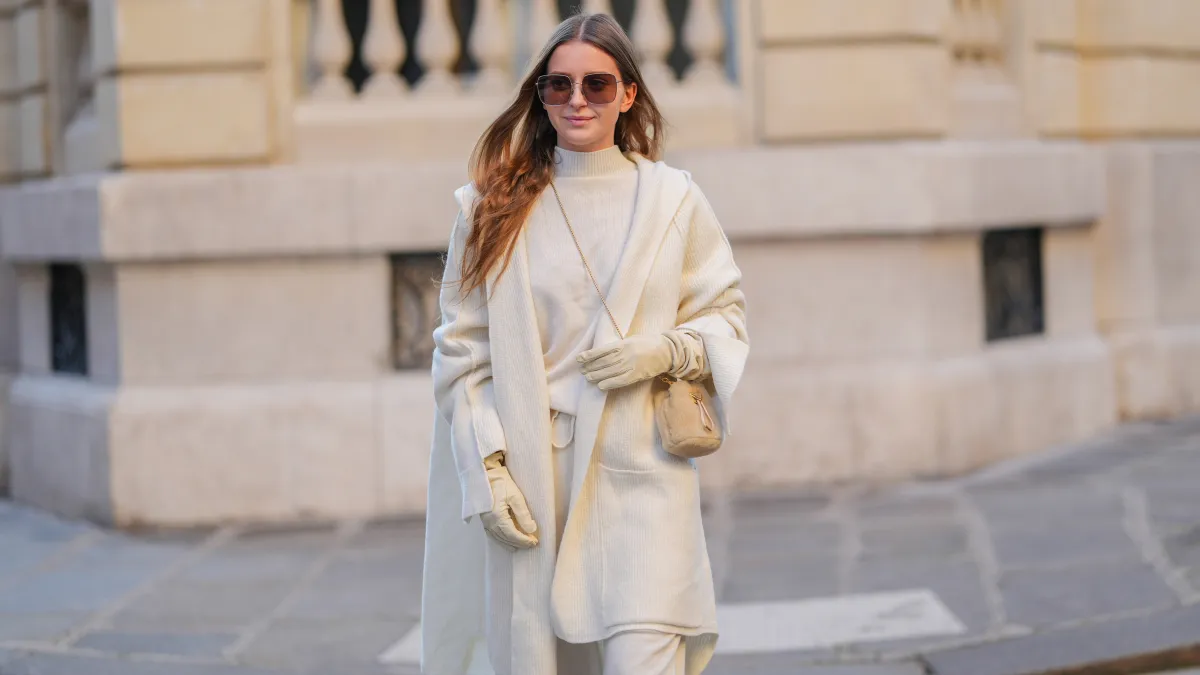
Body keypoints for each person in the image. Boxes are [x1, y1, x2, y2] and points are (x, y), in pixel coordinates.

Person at [421, 11, 749, 675]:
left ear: (628, 94)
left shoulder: (673, 201)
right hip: (537, 481)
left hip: (642, 474)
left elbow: (726, 317)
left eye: (597, 85)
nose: (576, 100)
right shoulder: (491, 208)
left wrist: (664, 352)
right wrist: (486, 470)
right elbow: (462, 355)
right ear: (540, 96)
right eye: (557, 85)